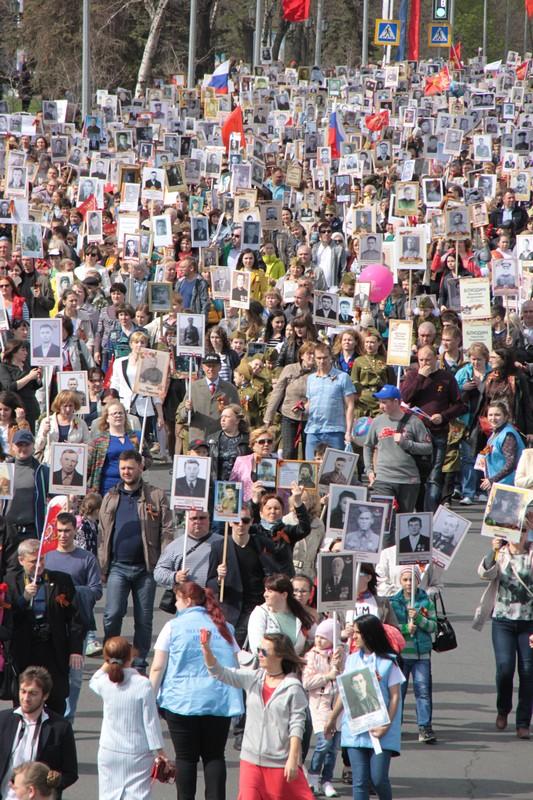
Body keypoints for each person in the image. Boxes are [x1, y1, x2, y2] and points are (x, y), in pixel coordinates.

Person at [149, 581, 244, 800]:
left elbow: (157, 666)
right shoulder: (224, 627)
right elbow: (237, 662)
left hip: (181, 701)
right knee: (214, 756)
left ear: (188, 600)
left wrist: (149, 699)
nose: (175, 603)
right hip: (219, 699)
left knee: (185, 758)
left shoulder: (173, 627)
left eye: (177, 599)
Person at [201, 631, 314, 800]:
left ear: (280, 656)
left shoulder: (293, 688)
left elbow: (297, 725)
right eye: (258, 650)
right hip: (250, 760)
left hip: (278, 763)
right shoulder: (253, 678)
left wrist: (293, 758)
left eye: (264, 651)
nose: (259, 654)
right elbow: (219, 672)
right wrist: (206, 648)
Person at [98, 450, 173, 672]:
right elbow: (103, 533)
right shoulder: (110, 496)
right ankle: (112, 657)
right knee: (112, 614)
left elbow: (167, 530)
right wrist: (102, 565)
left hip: (146, 568)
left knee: (144, 618)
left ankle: (139, 661)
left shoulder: (156, 495)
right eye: (122, 469)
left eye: (130, 468)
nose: (126, 472)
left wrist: (164, 562)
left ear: (140, 467)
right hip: (117, 568)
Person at [325, 614, 405, 800]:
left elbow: (395, 697)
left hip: (380, 731)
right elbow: (344, 694)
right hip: (356, 730)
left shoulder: (388, 663)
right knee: (359, 782)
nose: (354, 636)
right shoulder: (351, 660)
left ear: (370, 634)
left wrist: (387, 725)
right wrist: (331, 719)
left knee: (378, 779)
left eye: (358, 632)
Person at [6, 540, 84, 714]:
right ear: (21, 560)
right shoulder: (10, 582)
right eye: (33, 561)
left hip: (53, 648)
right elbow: (8, 618)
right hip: (24, 649)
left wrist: (75, 650)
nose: (39, 565)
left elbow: (75, 619)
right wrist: (24, 599)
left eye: (41, 559)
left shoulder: (61, 580)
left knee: (56, 700)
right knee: (24, 703)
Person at [90, 637, 168, 800]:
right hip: (137, 751)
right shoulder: (142, 684)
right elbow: (150, 721)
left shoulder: (104, 682)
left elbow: (94, 679)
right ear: (130, 657)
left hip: (108, 750)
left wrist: (108, 661)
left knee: (108, 795)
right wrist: (160, 751)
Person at [473, 529, 533, 739]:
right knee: (505, 668)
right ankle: (503, 707)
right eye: (517, 531)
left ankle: (524, 721)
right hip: (503, 621)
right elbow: (484, 573)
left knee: (528, 672)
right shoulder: (502, 553)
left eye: (524, 531)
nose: (521, 535)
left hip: (529, 623)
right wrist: (493, 552)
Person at [44, 512, 102, 722]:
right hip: (53, 625)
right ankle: (50, 716)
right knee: (51, 672)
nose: (63, 535)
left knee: (75, 677)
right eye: (59, 530)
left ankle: (68, 719)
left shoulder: (86, 558)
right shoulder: (48, 558)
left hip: (79, 624)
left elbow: (96, 590)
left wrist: (70, 593)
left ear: (75, 531)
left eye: (67, 530)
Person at [401, 346, 466, 511]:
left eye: (428, 360)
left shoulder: (446, 378)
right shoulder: (412, 376)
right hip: (416, 433)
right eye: (421, 360)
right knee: (415, 474)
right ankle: (416, 509)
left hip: (438, 432)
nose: (424, 363)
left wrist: (443, 416)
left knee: (434, 475)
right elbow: (405, 397)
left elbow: (459, 405)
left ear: (436, 358)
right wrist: (420, 378)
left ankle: (429, 512)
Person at [0, 667, 78, 799]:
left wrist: (50, 784)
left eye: (33, 693)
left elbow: (70, 773)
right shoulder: (3, 720)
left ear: (45, 696)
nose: (26, 698)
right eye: (23, 691)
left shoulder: (60, 728)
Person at [364, 385, 433, 517]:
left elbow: (428, 448)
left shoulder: (414, 422)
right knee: (384, 519)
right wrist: (369, 470)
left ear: (396, 402)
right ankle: (387, 539)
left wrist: (406, 443)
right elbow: (368, 445)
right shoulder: (377, 422)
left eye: (384, 402)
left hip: (408, 479)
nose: (381, 406)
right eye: (380, 402)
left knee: (403, 521)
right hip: (384, 479)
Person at [390, 566, 438, 744]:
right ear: (400, 582)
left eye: (412, 579)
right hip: (401, 656)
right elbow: (390, 627)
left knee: (423, 690)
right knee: (398, 692)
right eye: (405, 580)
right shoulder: (393, 603)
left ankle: (424, 726)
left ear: (419, 581)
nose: (409, 583)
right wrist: (404, 628)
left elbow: (433, 626)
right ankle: (395, 726)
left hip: (421, 656)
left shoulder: (426, 602)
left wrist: (419, 620)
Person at [303, 618, 344, 798]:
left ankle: (327, 779)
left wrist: (339, 663)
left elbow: (346, 676)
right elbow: (307, 682)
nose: (318, 640)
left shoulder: (341, 653)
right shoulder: (311, 655)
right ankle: (313, 775)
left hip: (338, 705)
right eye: (317, 636)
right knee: (324, 742)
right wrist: (328, 676)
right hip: (320, 703)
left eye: (324, 637)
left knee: (334, 747)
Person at [304, 344, 356, 460]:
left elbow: (350, 406)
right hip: (313, 430)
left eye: (325, 358)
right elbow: (309, 403)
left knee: (335, 469)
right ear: (314, 358)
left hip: (335, 430)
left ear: (330, 358)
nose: (322, 361)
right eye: (319, 358)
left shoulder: (343, 377)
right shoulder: (311, 379)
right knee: (311, 469)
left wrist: (348, 431)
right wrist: (302, 409)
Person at [176, 353, 240, 441]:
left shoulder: (230, 389)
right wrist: (187, 410)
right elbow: (180, 416)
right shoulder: (194, 387)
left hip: (221, 439)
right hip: (198, 440)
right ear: (203, 367)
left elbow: (238, 415)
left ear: (220, 367)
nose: (211, 369)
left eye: (214, 366)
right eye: (208, 366)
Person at [86, 401, 143, 495]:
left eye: (120, 413)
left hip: (133, 485)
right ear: (107, 418)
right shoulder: (99, 441)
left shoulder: (136, 437)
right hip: (107, 487)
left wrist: (143, 462)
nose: (118, 415)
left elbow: (149, 459)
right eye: (114, 413)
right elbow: (89, 466)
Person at [154, 508, 220, 589]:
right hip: (186, 598)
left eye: (202, 518)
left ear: (209, 519)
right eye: (193, 518)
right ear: (186, 519)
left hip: (214, 598)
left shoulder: (223, 543)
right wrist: (175, 577)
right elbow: (158, 573)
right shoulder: (175, 545)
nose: (198, 522)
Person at [479, 401, 526, 492]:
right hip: (497, 484)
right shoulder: (495, 432)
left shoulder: (508, 435)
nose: (493, 418)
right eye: (490, 415)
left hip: (508, 486)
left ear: (505, 417)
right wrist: (482, 457)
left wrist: (492, 480)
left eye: (497, 415)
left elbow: (510, 464)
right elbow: (489, 448)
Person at [34, 391, 90, 465]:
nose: (68, 409)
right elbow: (37, 447)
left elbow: (89, 447)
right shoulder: (47, 421)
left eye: (71, 406)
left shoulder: (81, 423)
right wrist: (44, 433)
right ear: (59, 406)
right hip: (50, 463)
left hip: (72, 464)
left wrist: (75, 448)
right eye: (65, 406)